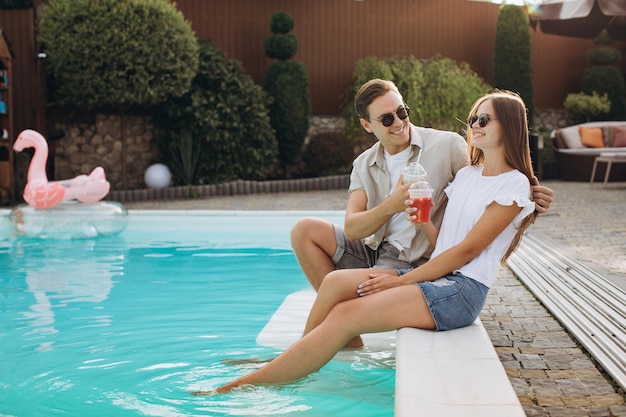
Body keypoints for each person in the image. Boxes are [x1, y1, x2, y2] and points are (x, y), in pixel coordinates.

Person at [192, 89, 538, 394]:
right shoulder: (468, 175)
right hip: (436, 275)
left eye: (484, 119)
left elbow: (467, 251)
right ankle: (290, 364)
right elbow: (447, 240)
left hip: (460, 291)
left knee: (345, 316)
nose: (474, 124)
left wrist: (400, 278)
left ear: (509, 126)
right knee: (336, 288)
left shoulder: (511, 185)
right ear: (367, 124)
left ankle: (247, 385)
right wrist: (424, 221)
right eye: (474, 117)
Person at [290, 79, 553, 294]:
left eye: (401, 112)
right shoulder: (364, 164)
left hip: (415, 256)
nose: (398, 122)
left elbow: (491, 179)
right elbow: (353, 227)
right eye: (387, 119)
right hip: (374, 248)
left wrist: (530, 193)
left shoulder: (446, 145)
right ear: (367, 125)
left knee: (345, 296)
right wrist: (391, 207)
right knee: (304, 230)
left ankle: (342, 327)